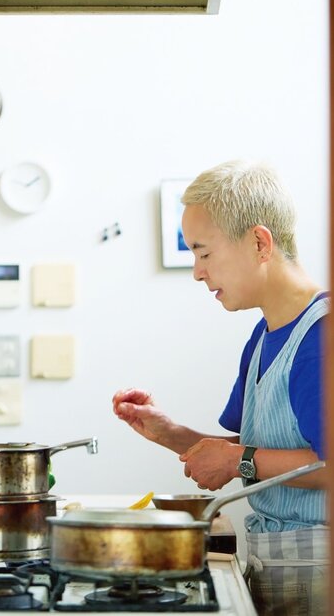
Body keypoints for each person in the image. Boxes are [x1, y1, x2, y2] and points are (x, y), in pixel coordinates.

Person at [112, 160, 329, 616]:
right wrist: (170, 433)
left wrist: (234, 460)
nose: (196, 272)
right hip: (278, 562)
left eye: (204, 253)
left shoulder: (321, 337)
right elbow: (261, 451)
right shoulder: (266, 332)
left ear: (259, 243)